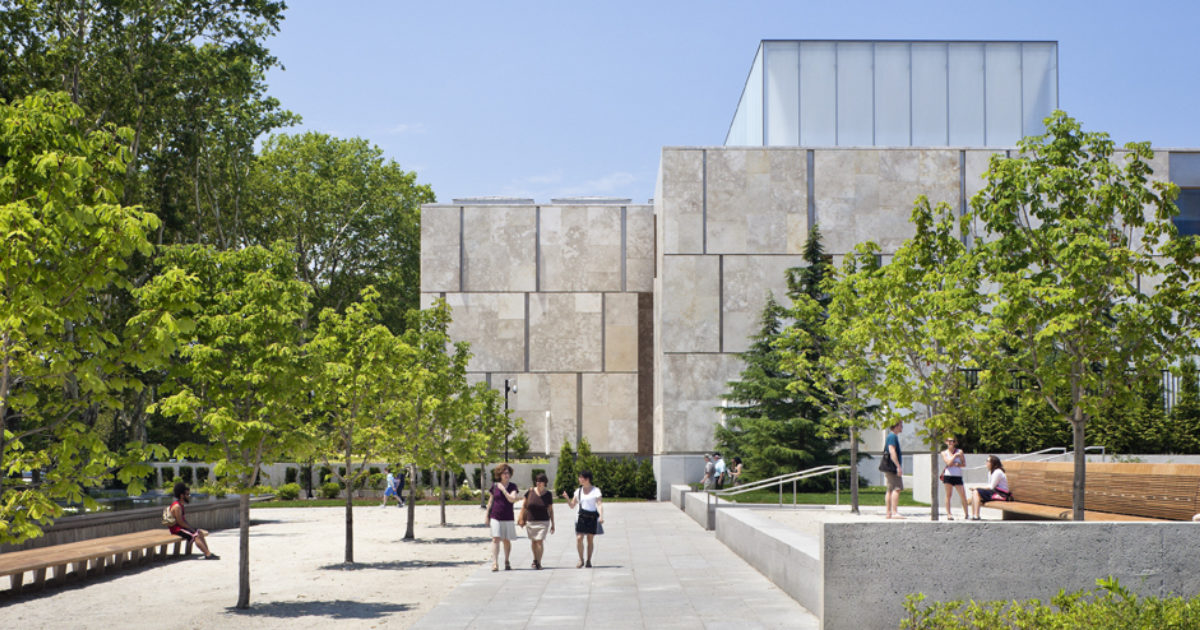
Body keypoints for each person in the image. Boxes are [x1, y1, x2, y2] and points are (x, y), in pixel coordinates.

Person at [562, 469, 603, 568]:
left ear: (587, 479)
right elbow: (572, 505)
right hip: (580, 518)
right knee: (579, 538)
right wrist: (567, 498)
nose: (579, 479)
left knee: (590, 540)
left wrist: (601, 516)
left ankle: (589, 560)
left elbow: (599, 504)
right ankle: (581, 559)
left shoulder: (595, 490)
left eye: (581, 477)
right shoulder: (578, 491)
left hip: (592, 517)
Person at [484, 463, 520, 571]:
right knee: (495, 539)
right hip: (495, 515)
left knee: (506, 540)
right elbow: (490, 501)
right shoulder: (494, 486)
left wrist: (503, 490)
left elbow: (511, 499)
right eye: (504, 473)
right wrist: (487, 515)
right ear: (500, 474)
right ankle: (494, 563)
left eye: (508, 473)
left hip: (508, 516)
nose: (506, 475)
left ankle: (507, 560)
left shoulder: (513, 486)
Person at [168, 482, 218, 559]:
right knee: (195, 535)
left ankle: (208, 552)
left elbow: (182, 521)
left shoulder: (180, 505)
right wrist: (190, 528)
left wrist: (191, 528)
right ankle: (208, 554)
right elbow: (180, 522)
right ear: (182, 495)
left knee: (199, 532)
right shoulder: (177, 506)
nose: (189, 496)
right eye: (187, 494)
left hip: (181, 528)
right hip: (177, 529)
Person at [522, 473, 555, 570]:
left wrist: (553, 524)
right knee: (533, 542)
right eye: (537, 481)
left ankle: (539, 563)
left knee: (540, 541)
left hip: (543, 521)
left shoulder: (548, 494)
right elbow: (524, 506)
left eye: (541, 481)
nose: (538, 483)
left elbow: (551, 510)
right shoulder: (530, 492)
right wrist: (521, 518)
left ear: (545, 483)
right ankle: (535, 559)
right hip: (531, 521)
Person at [970, 455, 1012, 520]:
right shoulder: (990, 472)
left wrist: (977, 487)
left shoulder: (998, 472)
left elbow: (991, 486)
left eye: (988, 461)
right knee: (975, 492)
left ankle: (976, 515)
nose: (986, 463)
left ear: (993, 463)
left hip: (1002, 495)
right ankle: (974, 515)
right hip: (995, 492)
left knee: (976, 491)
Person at [940, 438, 969, 520]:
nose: (950, 443)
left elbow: (964, 464)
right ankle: (949, 514)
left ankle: (966, 514)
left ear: (954, 442)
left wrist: (957, 464)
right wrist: (955, 456)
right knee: (948, 495)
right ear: (946, 442)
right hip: (948, 475)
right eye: (948, 441)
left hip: (957, 475)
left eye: (952, 441)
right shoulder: (944, 453)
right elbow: (948, 463)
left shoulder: (960, 451)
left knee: (963, 495)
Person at [884, 421, 905, 519]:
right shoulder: (892, 437)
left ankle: (889, 513)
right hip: (892, 468)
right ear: (896, 426)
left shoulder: (890, 436)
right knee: (897, 488)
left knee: (890, 489)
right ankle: (894, 512)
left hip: (889, 467)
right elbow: (892, 451)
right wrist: (898, 466)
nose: (902, 427)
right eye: (901, 425)